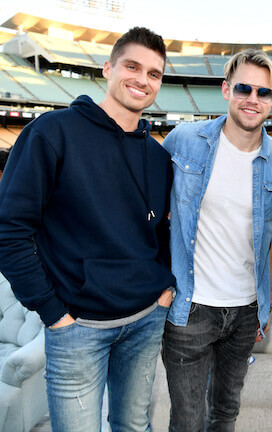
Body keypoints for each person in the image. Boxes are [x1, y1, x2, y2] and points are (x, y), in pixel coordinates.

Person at [0, 27, 174, 431]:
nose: (142, 80)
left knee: (134, 426)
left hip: (146, 319)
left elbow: (162, 232)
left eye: (154, 73)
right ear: (108, 68)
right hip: (77, 328)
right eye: (132, 66)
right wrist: (51, 311)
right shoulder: (51, 132)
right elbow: (10, 229)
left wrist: (164, 290)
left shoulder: (156, 155)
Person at [161, 49, 272, 431]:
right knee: (188, 421)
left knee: (225, 414)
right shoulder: (183, 141)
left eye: (264, 92)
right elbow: (149, 216)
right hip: (190, 308)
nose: (253, 99)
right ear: (225, 90)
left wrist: (264, 304)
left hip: (245, 312)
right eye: (244, 88)